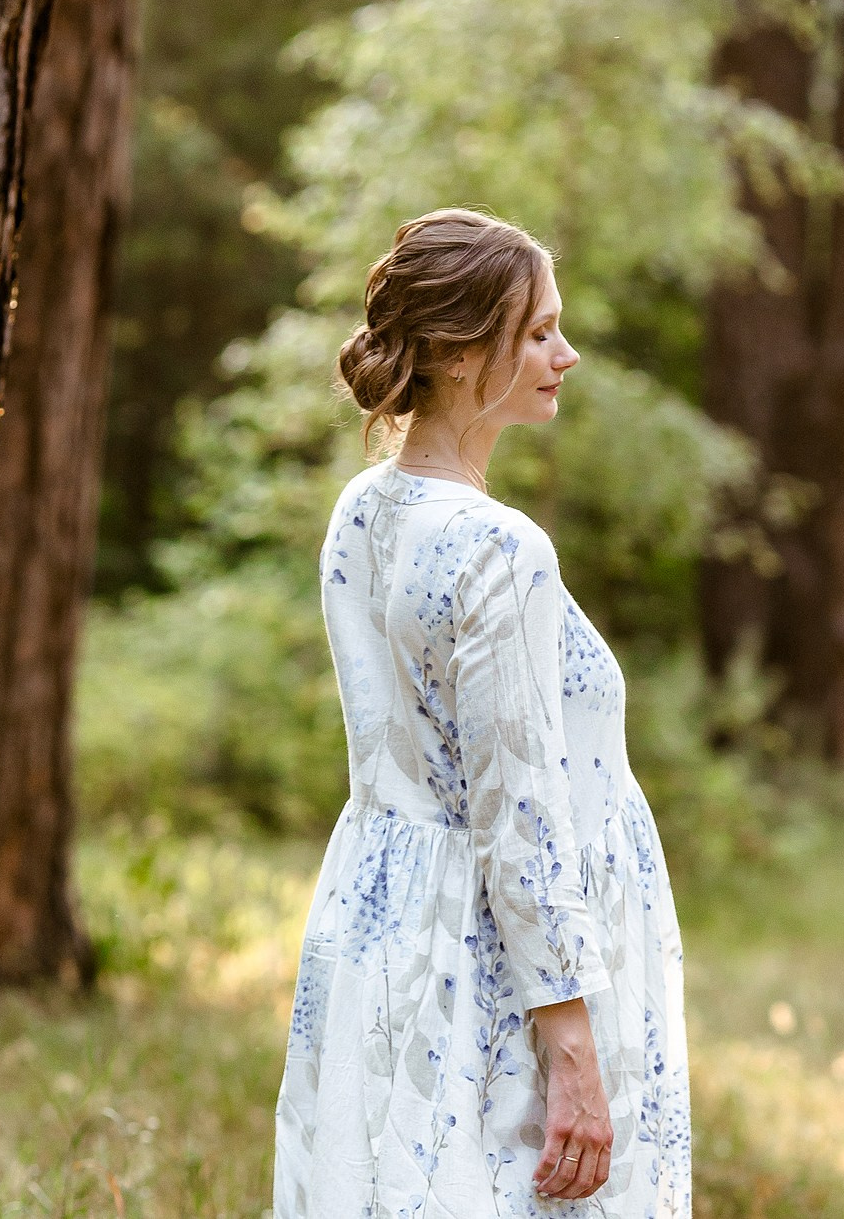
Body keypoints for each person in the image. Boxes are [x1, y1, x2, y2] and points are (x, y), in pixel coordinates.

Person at [273, 208, 691, 1217]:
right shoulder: (502, 549)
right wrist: (577, 1053)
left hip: (382, 932)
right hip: (492, 978)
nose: (567, 352)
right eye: (540, 331)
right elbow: (516, 819)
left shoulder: (365, 510)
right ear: (461, 353)